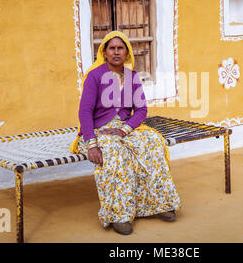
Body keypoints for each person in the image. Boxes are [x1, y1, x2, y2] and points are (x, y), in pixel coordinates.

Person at [70, 30, 181, 235]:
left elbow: (141, 110)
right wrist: (92, 144)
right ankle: (119, 214)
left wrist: (123, 130)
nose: (116, 52)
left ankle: (159, 204)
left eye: (120, 48)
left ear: (127, 52)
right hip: (98, 131)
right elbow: (84, 112)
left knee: (153, 144)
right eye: (111, 48)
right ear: (104, 52)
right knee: (115, 154)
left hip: (123, 128)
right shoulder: (95, 76)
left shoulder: (132, 77)